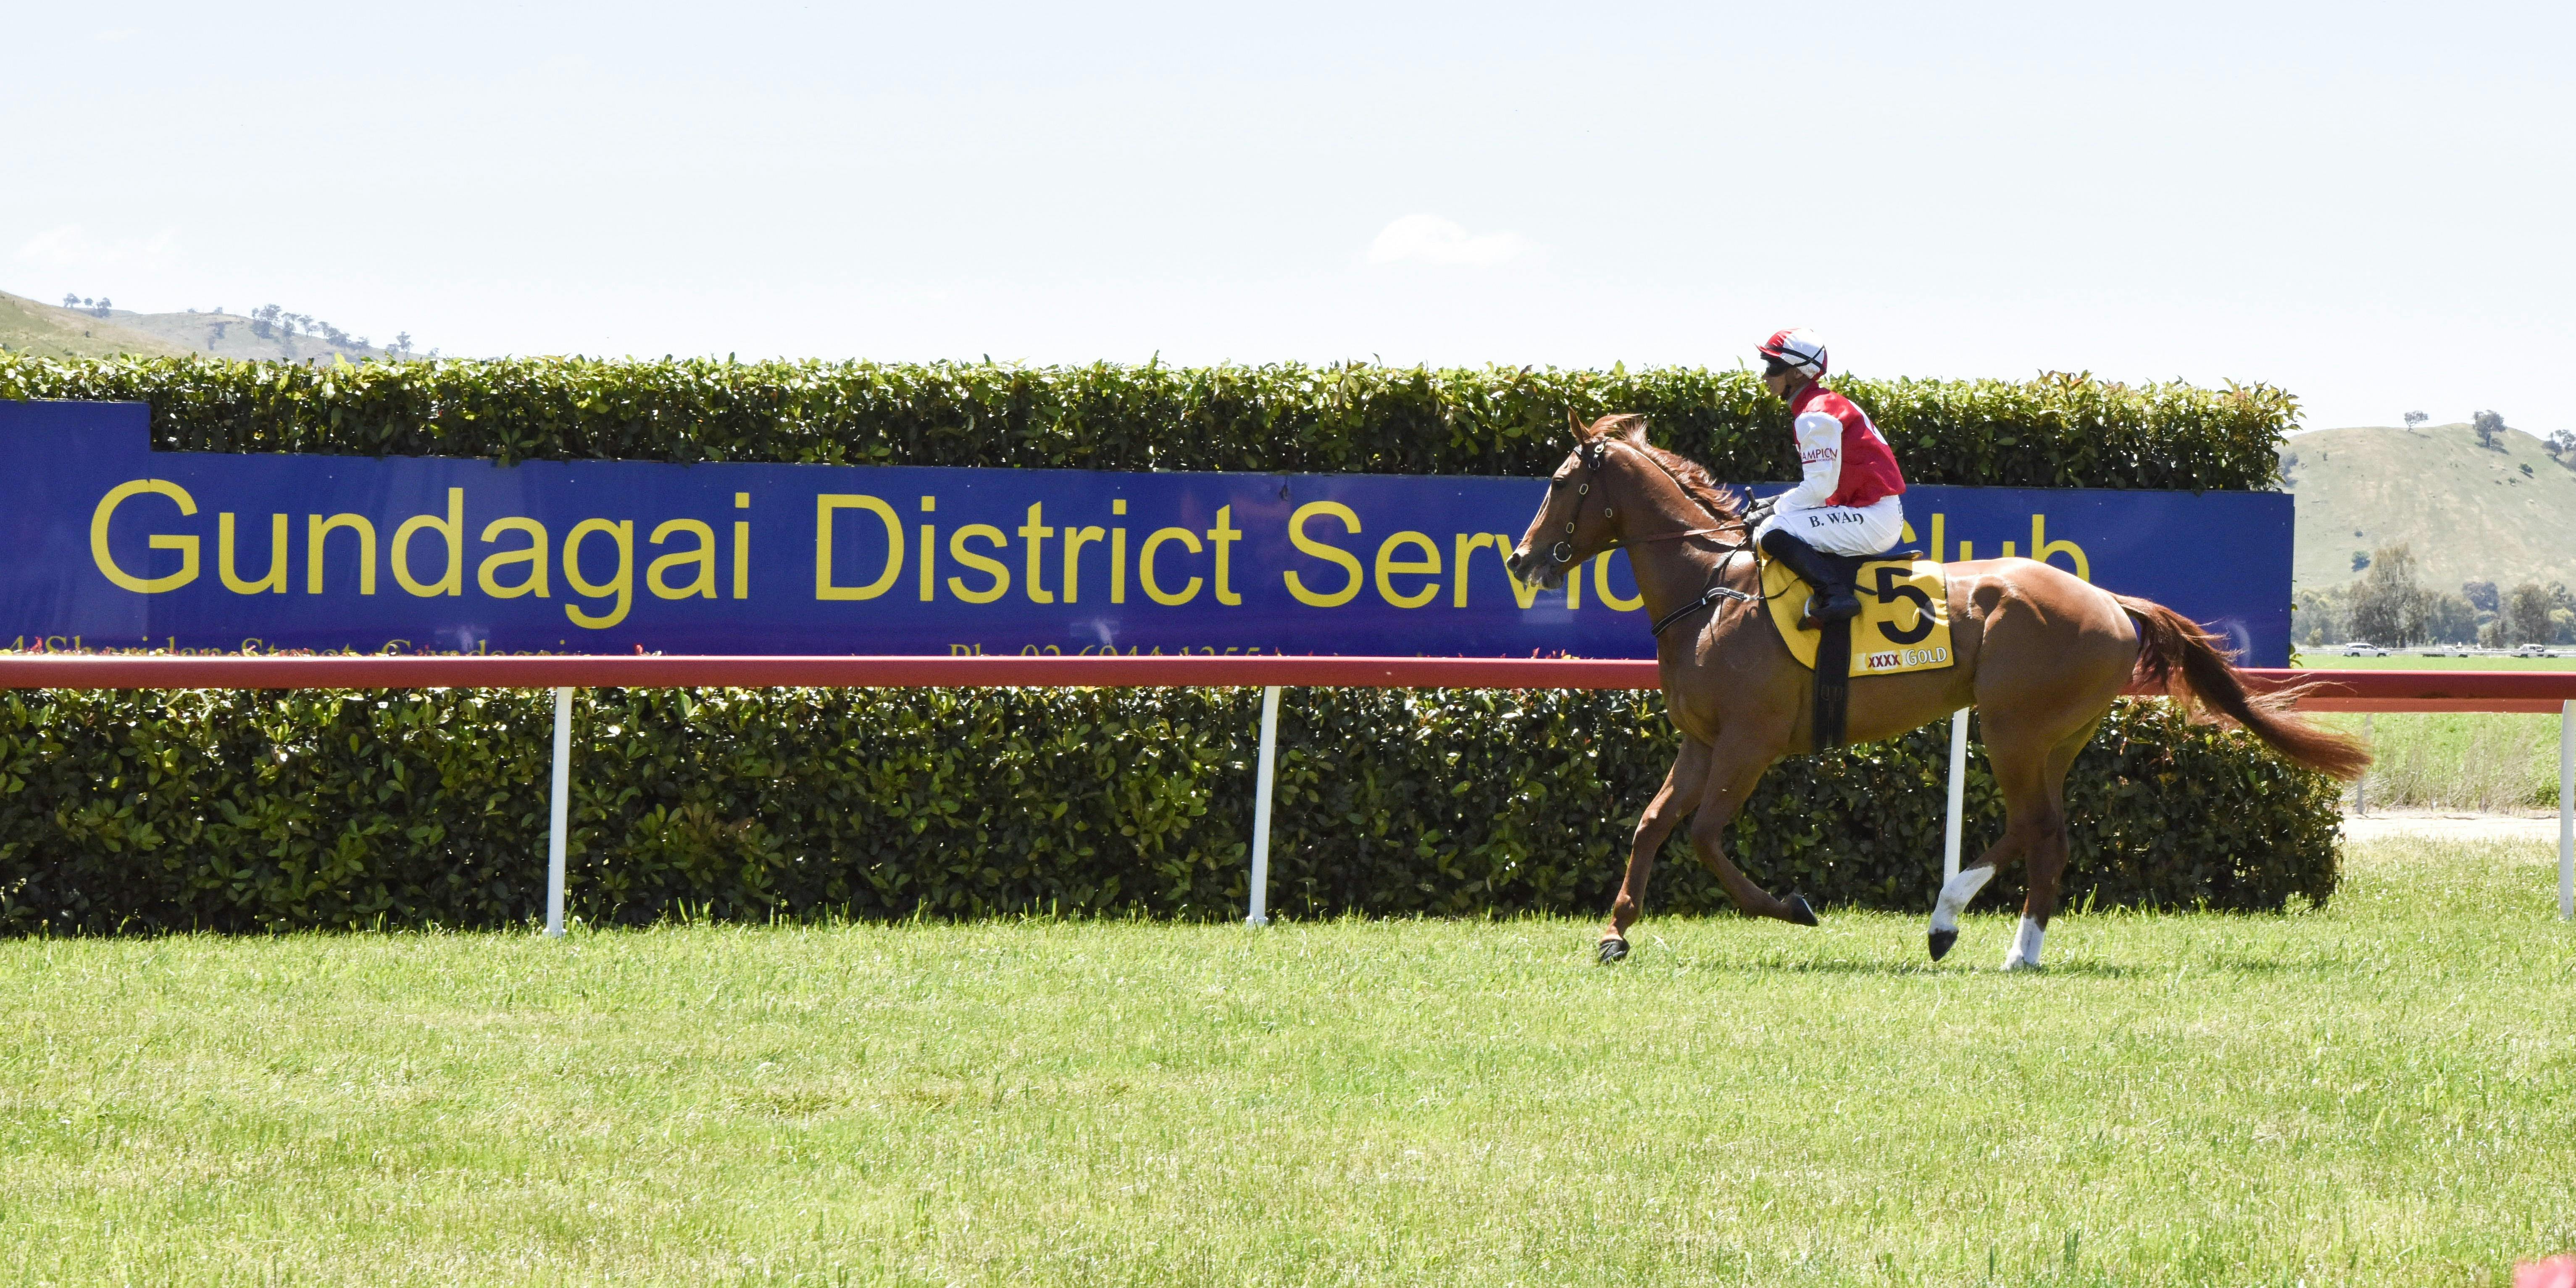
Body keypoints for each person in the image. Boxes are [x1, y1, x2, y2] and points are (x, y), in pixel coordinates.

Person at [1742, 328, 1907, 623]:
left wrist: (1775, 508)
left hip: (1872, 518)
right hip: (1868, 511)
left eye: (1773, 366)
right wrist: (1776, 501)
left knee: (1770, 531)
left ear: (1798, 374)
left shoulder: (1813, 415)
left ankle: (1836, 597)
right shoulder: (1820, 404)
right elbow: (1823, 486)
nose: (1765, 375)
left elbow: (1819, 488)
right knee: (1775, 521)